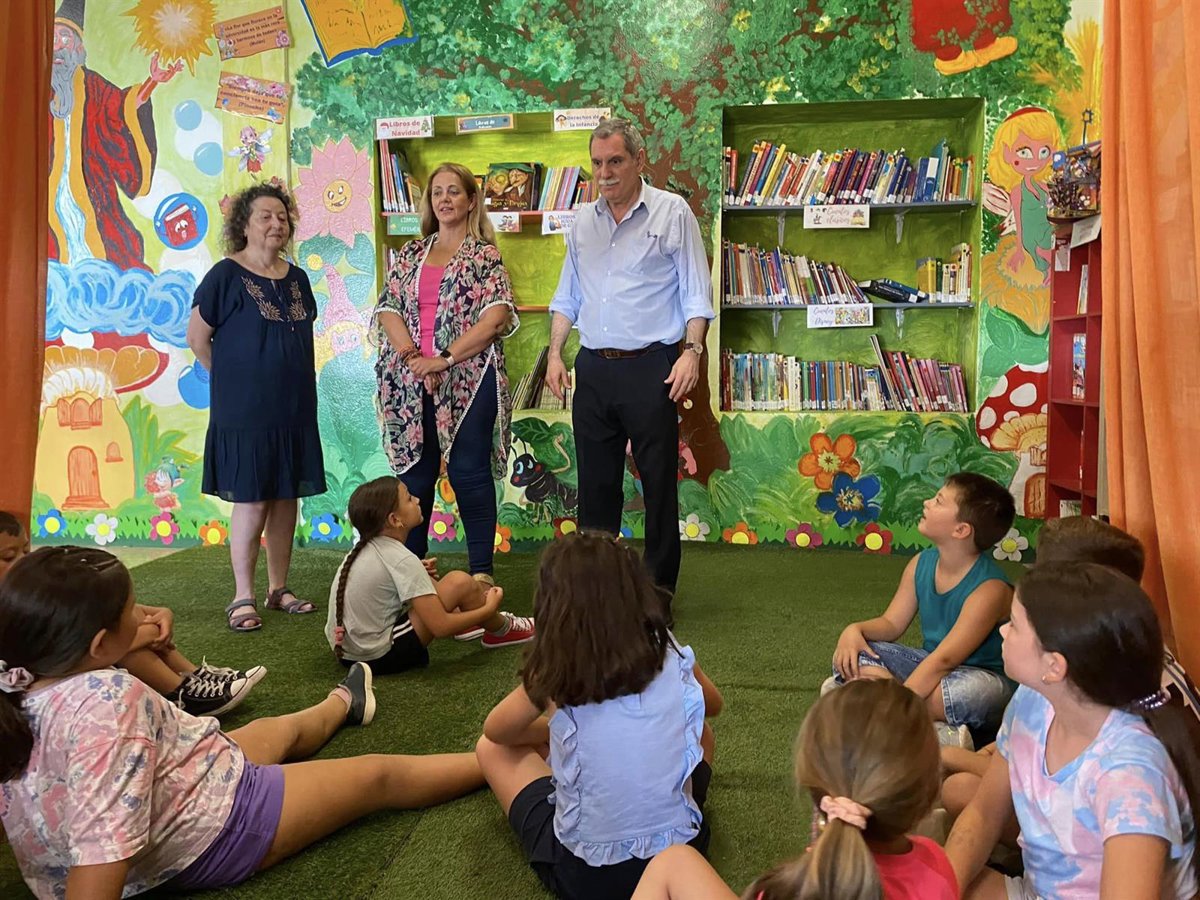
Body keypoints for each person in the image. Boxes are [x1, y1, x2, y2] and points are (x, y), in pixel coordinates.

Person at [0, 546, 483, 899]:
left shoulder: (20, 674)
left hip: (186, 775)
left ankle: (343, 702)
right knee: (379, 776)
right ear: (100, 644)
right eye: (132, 609)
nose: (143, 614)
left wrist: (141, 618)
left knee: (276, 730)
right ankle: (494, 760)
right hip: (214, 826)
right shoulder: (108, 704)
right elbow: (100, 853)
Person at [475, 533, 723, 900]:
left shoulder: (555, 668)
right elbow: (712, 705)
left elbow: (496, 732)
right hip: (683, 850)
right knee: (700, 729)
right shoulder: (667, 647)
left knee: (490, 749)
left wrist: (550, 730)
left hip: (589, 877)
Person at [945, 562, 1200, 900]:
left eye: (1015, 625)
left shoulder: (1129, 774)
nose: (1003, 631)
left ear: (1054, 666)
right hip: (1037, 889)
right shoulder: (1033, 700)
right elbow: (983, 813)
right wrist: (938, 889)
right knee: (913, 878)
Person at [546, 118, 714, 593]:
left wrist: (692, 352)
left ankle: (658, 593)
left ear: (639, 160)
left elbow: (696, 295)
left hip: (651, 368)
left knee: (658, 485)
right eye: (597, 163)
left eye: (615, 161)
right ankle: (599, 593)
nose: (605, 173)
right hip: (593, 369)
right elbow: (566, 297)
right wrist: (556, 353)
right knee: (596, 487)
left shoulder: (672, 212)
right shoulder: (582, 222)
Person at [631, 679, 958, 900]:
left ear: (813, 785)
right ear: (929, 798)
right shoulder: (936, 869)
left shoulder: (783, 889)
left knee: (673, 862)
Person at [187, 183, 326, 631]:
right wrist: (233, 380)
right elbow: (197, 338)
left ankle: (278, 589)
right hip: (245, 412)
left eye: (282, 216)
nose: (275, 223)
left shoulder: (297, 279)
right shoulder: (224, 275)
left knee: (286, 498)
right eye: (265, 216)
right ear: (244, 224)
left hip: (294, 408)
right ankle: (242, 595)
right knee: (252, 499)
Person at [372, 161, 518, 585]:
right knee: (414, 475)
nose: (444, 199)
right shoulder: (410, 254)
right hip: (409, 379)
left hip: (470, 377)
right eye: (437, 192)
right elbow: (388, 309)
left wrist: (444, 360)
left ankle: (482, 575)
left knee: (468, 470)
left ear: (471, 201)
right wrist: (414, 359)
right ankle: (412, 577)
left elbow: (496, 317)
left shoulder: (484, 256)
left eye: (454, 191)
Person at [0, 510, 263, 716]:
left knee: (121, 613)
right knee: (122, 636)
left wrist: (161, 613)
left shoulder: (29, 593)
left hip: (79, 655)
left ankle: (192, 675)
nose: (24, 561)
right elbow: (82, 650)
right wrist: (149, 632)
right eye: (9, 556)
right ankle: (181, 693)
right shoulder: (16, 607)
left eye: (26, 550)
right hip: (44, 678)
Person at [829, 472, 1016, 743]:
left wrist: (902, 700)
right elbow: (892, 623)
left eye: (938, 501)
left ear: (961, 530)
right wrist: (854, 630)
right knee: (855, 653)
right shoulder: (921, 562)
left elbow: (946, 660)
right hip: (928, 666)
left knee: (977, 693)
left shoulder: (990, 589)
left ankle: (876, 707)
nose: (927, 503)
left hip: (974, 676)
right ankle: (927, 726)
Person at [326, 476, 534, 671]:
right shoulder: (401, 559)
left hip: (348, 654)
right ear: (395, 520)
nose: (417, 500)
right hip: (379, 656)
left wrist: (417, 571)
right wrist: (488, 609)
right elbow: (440, 627)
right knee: (460, 582)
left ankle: (483, 623)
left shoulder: (367, 549)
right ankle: (500, 629)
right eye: (409, 498)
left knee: (451, 583)